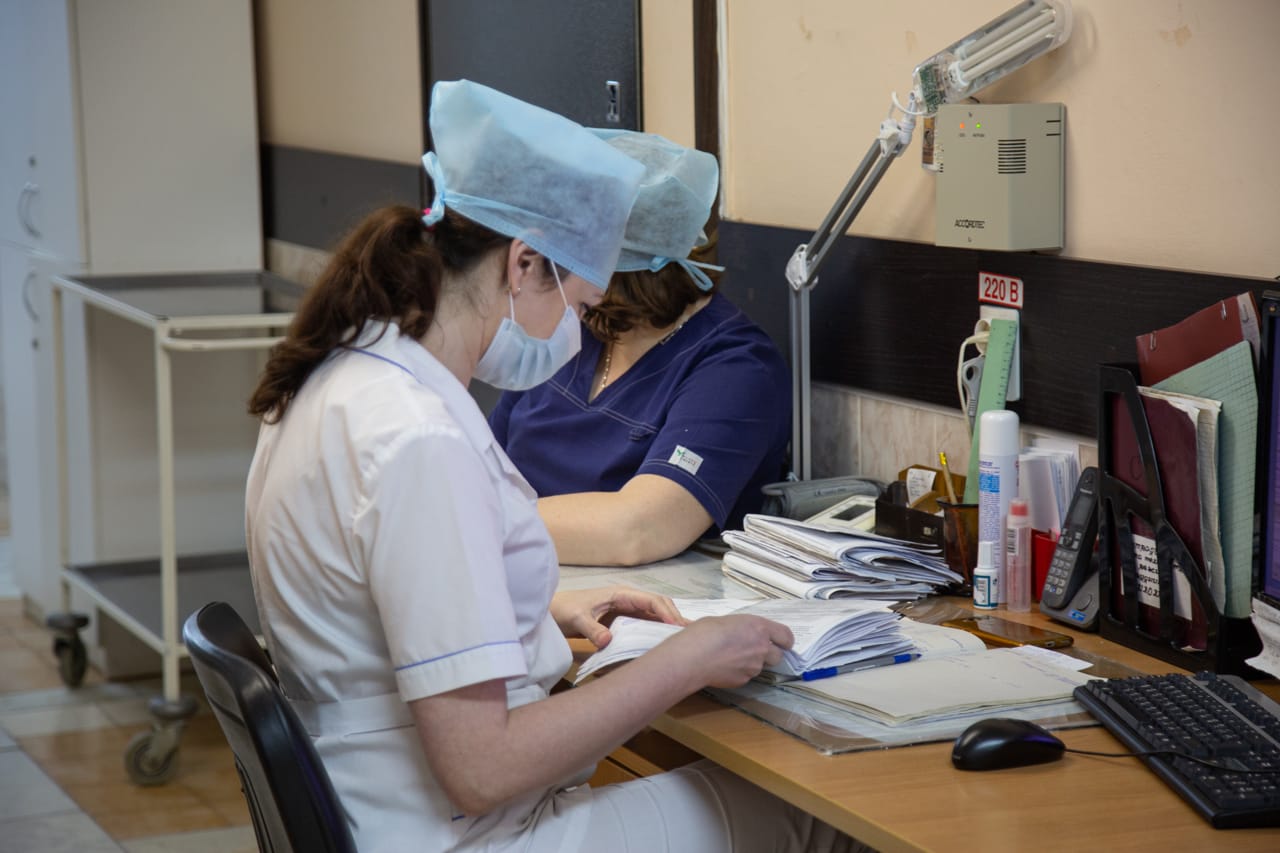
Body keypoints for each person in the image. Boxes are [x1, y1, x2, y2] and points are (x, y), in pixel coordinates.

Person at [244, 80, 862, 852]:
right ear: (524, 263)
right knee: (822, 811)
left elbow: (379, 607)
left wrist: (533, 616)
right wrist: (688, 658)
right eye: (576, 303)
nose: (579, 330)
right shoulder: (418, 441)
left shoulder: (338, 379)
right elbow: (483, 768)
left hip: (380, 803)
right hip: (460, 832)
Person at [489, 129, 791, 567]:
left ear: (615, 270)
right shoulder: (572, 330)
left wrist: (474, 520)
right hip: (514, 576)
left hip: (633, 600)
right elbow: (481, 470)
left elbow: (637, 529)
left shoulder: (735, 369)